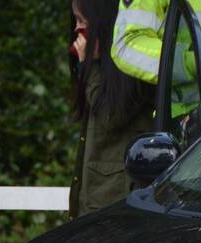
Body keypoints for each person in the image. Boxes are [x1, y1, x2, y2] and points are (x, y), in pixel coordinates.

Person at [69, 0, 156, 219]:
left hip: (114, 208)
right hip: (97, 204)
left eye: (81, 20)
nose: (77, 29)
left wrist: (89, 67)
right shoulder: (103, 72)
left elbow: (110, 117)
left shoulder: (131, 71)